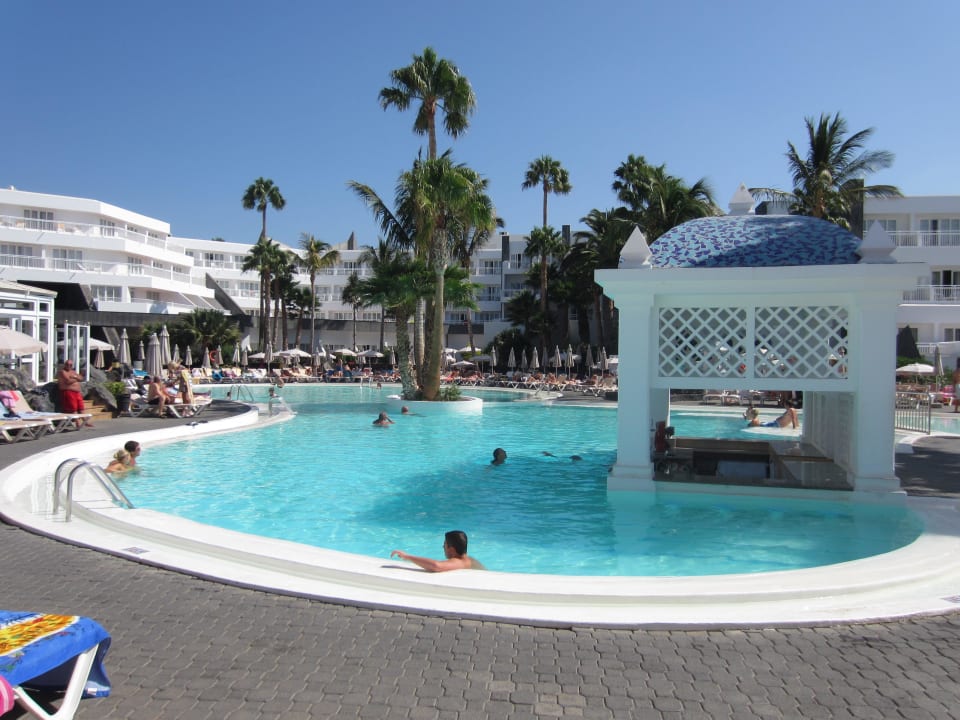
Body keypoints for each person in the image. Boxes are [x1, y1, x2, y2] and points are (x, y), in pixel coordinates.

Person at [390, 530, 484, 572]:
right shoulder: (470, 560)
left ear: (451, 549)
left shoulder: (460, 562)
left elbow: (436, 566)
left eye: (444, 545)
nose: (443, 547)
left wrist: (407, 557)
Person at [57, 360, 93, 429]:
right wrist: (76, 378)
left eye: (70, 365)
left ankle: (85, 421)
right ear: (65, 364)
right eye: (67, 364)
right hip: (69, 392)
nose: (69, 366)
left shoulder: (72, 372)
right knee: (73, 408)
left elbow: (81, 378)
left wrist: (74, 377)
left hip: (77, 392)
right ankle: (77, 423)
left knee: (81, 407)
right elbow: (68, 381)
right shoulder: (62, 372)